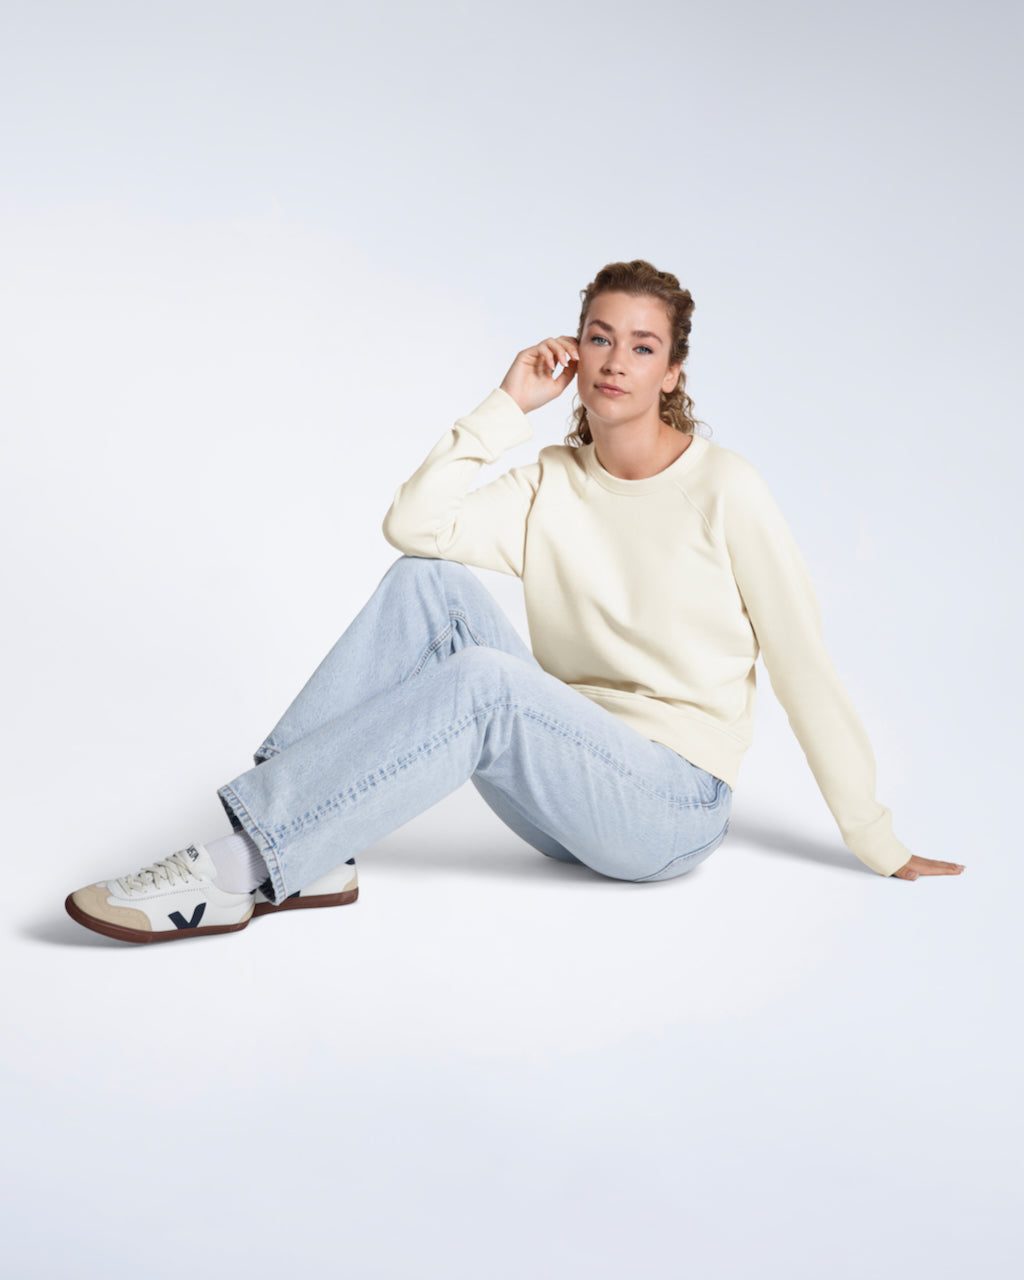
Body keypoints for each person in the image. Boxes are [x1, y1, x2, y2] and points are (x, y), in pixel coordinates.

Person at [65, 260, 965, 944]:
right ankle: (308, 849)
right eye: (599, 337)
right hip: (563, 783)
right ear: (575, 350)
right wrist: (507, 403)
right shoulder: (552, 483)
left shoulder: (728, 491)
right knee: (430, 584)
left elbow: (803, 664)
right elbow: (414, 526)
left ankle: (247, 863)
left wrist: (874, 837)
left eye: (642, 347)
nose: (616, 361)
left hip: (667, 809)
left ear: (674, 373)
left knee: (489, 681)